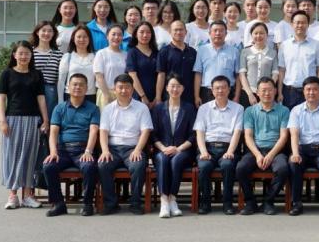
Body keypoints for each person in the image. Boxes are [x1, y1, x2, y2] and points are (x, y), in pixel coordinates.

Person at [0, 41, 49, 210]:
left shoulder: (37, 74)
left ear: (31, 55)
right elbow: (2, 99)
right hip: (12, 119)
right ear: (14, 55)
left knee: (29, 156)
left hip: (32, 119)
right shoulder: (7, 74)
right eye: (20, 53)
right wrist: (3, 121)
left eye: (27, 53)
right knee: (12, 156)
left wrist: (45, 120)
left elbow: (41, 98)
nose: (24, 56)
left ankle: (27, 195)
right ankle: (13, 196)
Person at [42, 73, 99, 217]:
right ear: (68, 87)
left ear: (87, 88)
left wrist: (88, 151)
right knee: (49, 166)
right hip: (63, 150)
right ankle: (59, 204)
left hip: (83, 150)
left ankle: (87, 204)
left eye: (81, 85)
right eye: (74, 84)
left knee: (89, 166)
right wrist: (53, 152)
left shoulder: (93, 108)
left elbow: (94, 131)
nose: (77, 87)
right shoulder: (59, 108)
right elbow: (53, 132)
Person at [98, 74, 153, 215]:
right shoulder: (108, 109)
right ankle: (111, 203)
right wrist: (105, 150)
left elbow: (145, 131)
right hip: (113, 149)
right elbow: (103, 132)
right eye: (120, 87)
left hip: (132, 148)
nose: (124, 90)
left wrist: (138, 150)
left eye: (127, 87)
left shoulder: (141, 108)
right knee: (103, 165)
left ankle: (135, 203)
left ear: (132, 89)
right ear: (114, 89)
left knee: (138, 165)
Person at [236, 77, 290, 215]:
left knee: (283, 169)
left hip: (276, 150)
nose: (267, 93)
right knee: (241, 168)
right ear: (257, 93)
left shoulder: (284, 111)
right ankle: (250, 202)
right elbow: (248, 136)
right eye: (263, 90)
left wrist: (271, 155)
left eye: (270, 90)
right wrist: (258, 155)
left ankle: (268, 201)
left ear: (275, 91)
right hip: (255, 150)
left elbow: (284, 136)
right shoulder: (250, 111)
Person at [287, 76, 319, 216]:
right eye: (308, 89)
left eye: (315, 89)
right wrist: (295, 153)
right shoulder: (296, 110)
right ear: (303, 91)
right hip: (302, 149)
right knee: (293, 163)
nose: (311, 92)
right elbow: (294, 134)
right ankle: (296, 204)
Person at [194, 75, 244, 215]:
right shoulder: (204, 108)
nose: (220, 91)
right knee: (204, 166)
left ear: (229, 89)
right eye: (217, 88)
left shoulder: (238, 108)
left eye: (223, 88)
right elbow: (200, 132)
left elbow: (237, 132)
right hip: (208, 147)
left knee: (227, 165)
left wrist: (230, 151)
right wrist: (203, 151)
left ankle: (227, 203)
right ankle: (205, 203)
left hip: (228, 147)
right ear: (212, 90)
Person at [151, 74, 196, 218]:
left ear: (183, 89)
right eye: (172, 86)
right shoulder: (158, 108)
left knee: (176, 160)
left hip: (184, 150)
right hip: (162, 149)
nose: (175, 89)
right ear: (166, 88)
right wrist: (163, 148)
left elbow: (193, 135)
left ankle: (172, 198)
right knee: (163, 159)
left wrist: (178, 149)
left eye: (178, 86)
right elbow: (153, 135)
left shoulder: (189, 108)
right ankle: (164, 200)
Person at [277, 11, 319, 110]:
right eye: (297, 22)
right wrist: (279, 92)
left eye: (303, 23)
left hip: (310, 91)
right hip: (289, 92)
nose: (300, 25)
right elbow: (282, 70)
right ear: (292, 24)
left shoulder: (316, 45)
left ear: (308, 25)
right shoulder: (284, 45)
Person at [193, 21, 241, 107]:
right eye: (215, 30)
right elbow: (198, 73)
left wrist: (237, 96)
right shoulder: (202, 50)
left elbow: (238, 75)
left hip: (228, 92)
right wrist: (196, 96)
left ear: (226, 33)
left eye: (221, 31)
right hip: (207, 92)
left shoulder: (234, 51)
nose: (218, 33)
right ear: (209, 33)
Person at [155, 20, 197, 105]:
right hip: (170, 95)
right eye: (175, 30)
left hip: (189, 96)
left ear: (186, 32)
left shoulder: (193, 52)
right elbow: (161, 75)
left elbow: (196, 75)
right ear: (170, 32)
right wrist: (158, 97)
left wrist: (196, 96)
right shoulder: (164, 51)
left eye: (181, 30)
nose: (178, 32)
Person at [238, 22, 279, 108]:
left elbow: (275, 75)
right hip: (248, 92)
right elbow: (242, 75)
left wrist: (266, 91)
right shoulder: (245, 52)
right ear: (251, 35)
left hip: (266, 94)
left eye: (261, 33)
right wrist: (250, 94)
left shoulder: (273, 53)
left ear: (267, 35)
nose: (258, 36)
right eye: (255, 33)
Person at [30, 21, 64, 120]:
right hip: (32, 89)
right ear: (37, 32)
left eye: (50, 31)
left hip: (50, 90)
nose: (46, 33)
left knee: (49, 118)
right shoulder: (30, 52)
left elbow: (60, 76)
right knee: (33, 117)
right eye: (43, 30)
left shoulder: (58, 54)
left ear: (53, 34)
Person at [57, 25, 97, 104]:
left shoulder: (96, 57)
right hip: (70, 96)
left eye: (85, 37)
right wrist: (60, 100)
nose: (82, 39)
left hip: (90, 96)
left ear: (89, 39)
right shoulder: (67, 57)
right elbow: (61, 81)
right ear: (73, 38)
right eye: (79, 37)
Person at [126, 21, 158, 109]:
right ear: (136, 34)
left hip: (156, 99)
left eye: (148, 32)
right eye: (142, 32)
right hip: (138, 97)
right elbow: (132, 75)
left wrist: (157, 97)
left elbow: (161, 75)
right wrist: (143, 96)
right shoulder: (132, 52)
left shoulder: (157, 53)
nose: (145, 35)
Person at [93, 25, 127, 109]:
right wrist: (107, 95)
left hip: (123, 93)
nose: (116, 37)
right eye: (113, 34)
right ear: (107, 36)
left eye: (119, 35)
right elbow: (99, 76)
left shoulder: (126, 54)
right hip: (106, 92)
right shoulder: (101, 53)